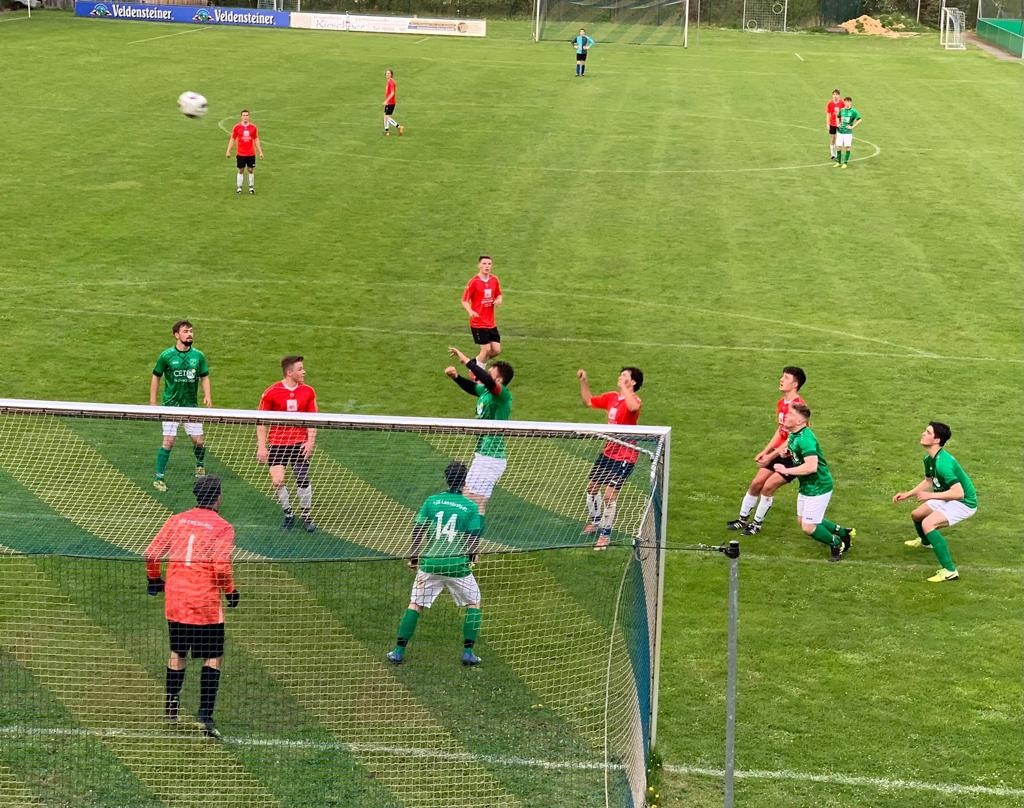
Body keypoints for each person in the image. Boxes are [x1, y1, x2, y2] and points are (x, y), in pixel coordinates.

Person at [145, 475, 239, 739]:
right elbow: (221, 567)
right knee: (213, 656)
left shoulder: (177, 520)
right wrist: (231, 592)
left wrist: (154, 579)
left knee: (177, 652)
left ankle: (171, 708)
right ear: (218, 497)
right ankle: (205, 715)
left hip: (176, 600)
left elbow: (152, 553)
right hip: (204, 603)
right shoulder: (223, 527)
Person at [386, 461, 484, 667]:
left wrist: (414, 557)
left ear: (446, 479)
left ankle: (398, 652)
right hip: (457, 565)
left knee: (415, 604)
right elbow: (473, 537)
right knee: (474, 603)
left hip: (430, 563)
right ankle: (468, 653)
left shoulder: (432, 501)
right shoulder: (470, 507)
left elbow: (418, 529)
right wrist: (471, 556)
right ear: (465, 481)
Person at [725, 366, 807, 535]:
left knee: (768, 487)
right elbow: (781, 430)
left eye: (786, 378)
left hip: (792, 456)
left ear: (795, 384)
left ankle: (756, 524)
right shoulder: (782, 403)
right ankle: (742, 520)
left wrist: (771, 456)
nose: (781, 380)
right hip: (779, 451)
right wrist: (766, 451)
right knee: (756, 483)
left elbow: (794, 437)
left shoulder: (799, 407)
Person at [892, 421, 977, 583]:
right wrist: (907, 494)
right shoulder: (929, 459)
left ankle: (950, 571)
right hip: (948, 496)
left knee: (928, 524)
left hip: (964, 503)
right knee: (917, 514)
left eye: (928, 432)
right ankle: (926, 541)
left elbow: (959, 493)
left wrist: (930, 496)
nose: (923, 434)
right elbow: (928, 481)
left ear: (937, 440)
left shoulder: (943, 464)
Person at [771, 403, 854, 562]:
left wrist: (785, 470)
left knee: (808, 526)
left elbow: (811, 466)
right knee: (804, 520)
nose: (786, 416)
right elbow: (798, 452)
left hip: (818, 486)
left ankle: (837, 543)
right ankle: (843, 532)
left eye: (791, 415)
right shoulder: (794, 434)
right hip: (808, 486)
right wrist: (788, 453)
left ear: (800, 421)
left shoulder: (806, 439)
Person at [577, 366, 643, 550]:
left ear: (633, 382)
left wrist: (624, 388)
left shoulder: (635, 400)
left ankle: (605, 535)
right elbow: (588, 401)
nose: (620, 377)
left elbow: (633, 407)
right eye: (620, 375)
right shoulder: (612, 397)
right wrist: (584, 381)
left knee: (609, 496)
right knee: (592, 488)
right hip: (608, 452)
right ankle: (596, 521)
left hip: (626, 455)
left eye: (625, 376)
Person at [445, 346, 514, 515]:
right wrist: (456, 377)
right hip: (483, 454)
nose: (486, 375)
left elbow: (487, 380)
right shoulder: (486, 392)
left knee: (474, 501)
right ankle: (471, 531)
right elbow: (471, 387)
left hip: (491, 457)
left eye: (490, 374)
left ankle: (474, 532)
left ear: (499, 380)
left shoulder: (502, 395)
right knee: (469, 498)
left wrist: (465, 360)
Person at [256, 355, 318, 532]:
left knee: (302, 478)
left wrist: (310, 442)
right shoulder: (271, 392)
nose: (304, 372)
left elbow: (314, 419)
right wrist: (262, 446)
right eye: (300, 369)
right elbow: (260, 421)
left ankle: (306, 515)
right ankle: (288, 513)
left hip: (299, 443)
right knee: (277, 481)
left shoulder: (308, 391)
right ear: (290, 372)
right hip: (278, 444)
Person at [150, 320, 211, 492]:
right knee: (168, 441)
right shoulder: (166, 356)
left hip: (191, 406)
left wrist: (207, 395)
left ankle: (200, 465)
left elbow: (204, 376)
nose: (189, 334)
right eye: (185, 331)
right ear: (176, 335)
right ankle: (158, 478)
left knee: (198, 441)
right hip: (170, 406)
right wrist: (153, 402)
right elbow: (156, 376)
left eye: (191, 331)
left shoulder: (198, 356)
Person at [461, 256, 503, 366]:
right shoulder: (474, 282)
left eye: (489, 264)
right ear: (479, 265)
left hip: (491, 322)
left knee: (496, 350)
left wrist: (499, 300)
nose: (487, 266)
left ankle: (473, 364)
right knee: (486, 350)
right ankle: (476, 372)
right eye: (484, 263)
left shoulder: (494, 280)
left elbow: (499, 294)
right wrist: (470, 311)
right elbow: (464, 300)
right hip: (478, 322)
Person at [225, 109, 264, 195]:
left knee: (250, 170)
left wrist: (260, 152)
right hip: (241, 153)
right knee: (241, 170)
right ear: (241, 117)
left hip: (251, 153)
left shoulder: (253, 127)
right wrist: (228, 151)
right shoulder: (237, 127)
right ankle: (239, 187)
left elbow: (256, 140)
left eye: (247, 115)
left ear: (249, 116)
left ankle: (251, 187)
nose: (245, 117)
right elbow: (232, 139)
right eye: (244, 115)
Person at [834, 96, 861, 169]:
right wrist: (838, 124)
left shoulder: (854, 111)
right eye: (846, 102)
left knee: (847, 147)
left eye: (848, 102)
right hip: (840, 131)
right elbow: (837, 117)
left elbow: (859, 119)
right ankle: (838, 162)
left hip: (848, 133)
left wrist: (852, 126)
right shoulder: (842, 110)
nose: (847, 103)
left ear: (850, 102)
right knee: (838, 147)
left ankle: (845, 163)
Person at [383, 69, 404, 136]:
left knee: (387, 117)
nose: (387, 74)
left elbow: (392, 93)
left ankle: (399, 127)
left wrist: (387, 100)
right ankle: (387, 131)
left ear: (391, 74)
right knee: (385, 116)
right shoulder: (389, 81)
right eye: (386, 73)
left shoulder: (391, 82)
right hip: (389, 102)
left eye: (389, 73)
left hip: (391, 102)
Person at [825, 89, 845, 161]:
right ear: (832, 95)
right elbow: (828, 114)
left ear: (839, 95)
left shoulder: (842, 103)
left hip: (839, 124)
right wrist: (827, 124)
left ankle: (836, 154)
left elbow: (844, 113)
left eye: (836, 94)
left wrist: (843, 122)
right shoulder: (830, 103)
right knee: (833, 138)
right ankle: (832, 154)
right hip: (832, 123)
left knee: (838, 138)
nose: (835, 96)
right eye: (834, 94)